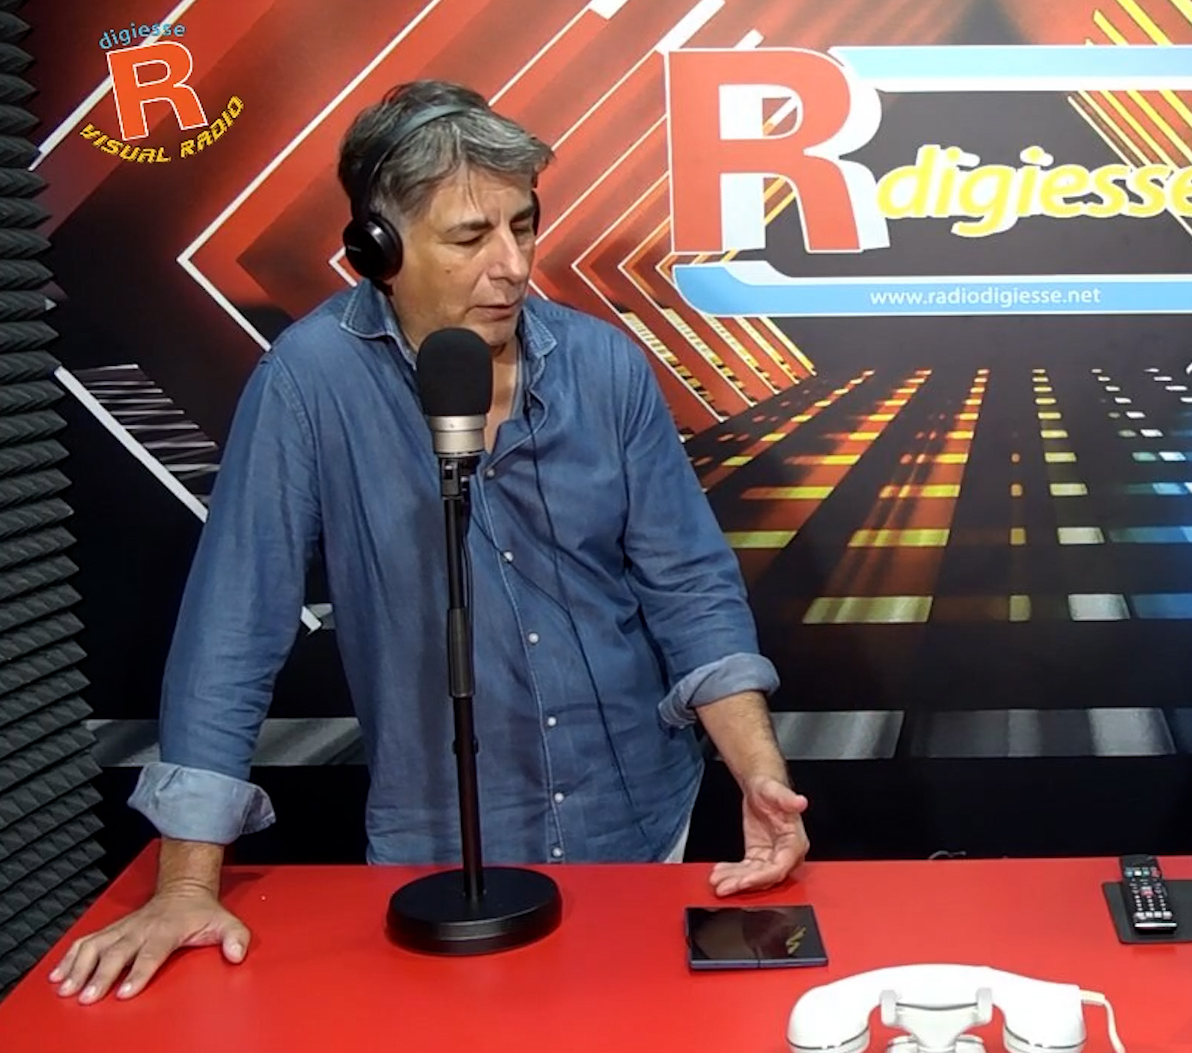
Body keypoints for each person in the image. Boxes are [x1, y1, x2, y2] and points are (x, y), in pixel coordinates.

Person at [51, 80, 810, 1004]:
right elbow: (233, 629)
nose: (513, 267)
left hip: (641, 820)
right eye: (469, 238)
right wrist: (184, 887)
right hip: (437, 850)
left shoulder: (604, 365)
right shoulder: (309, 381)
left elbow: (689, 586)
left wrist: (757, 777)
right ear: (378, 250)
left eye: (523, 227)